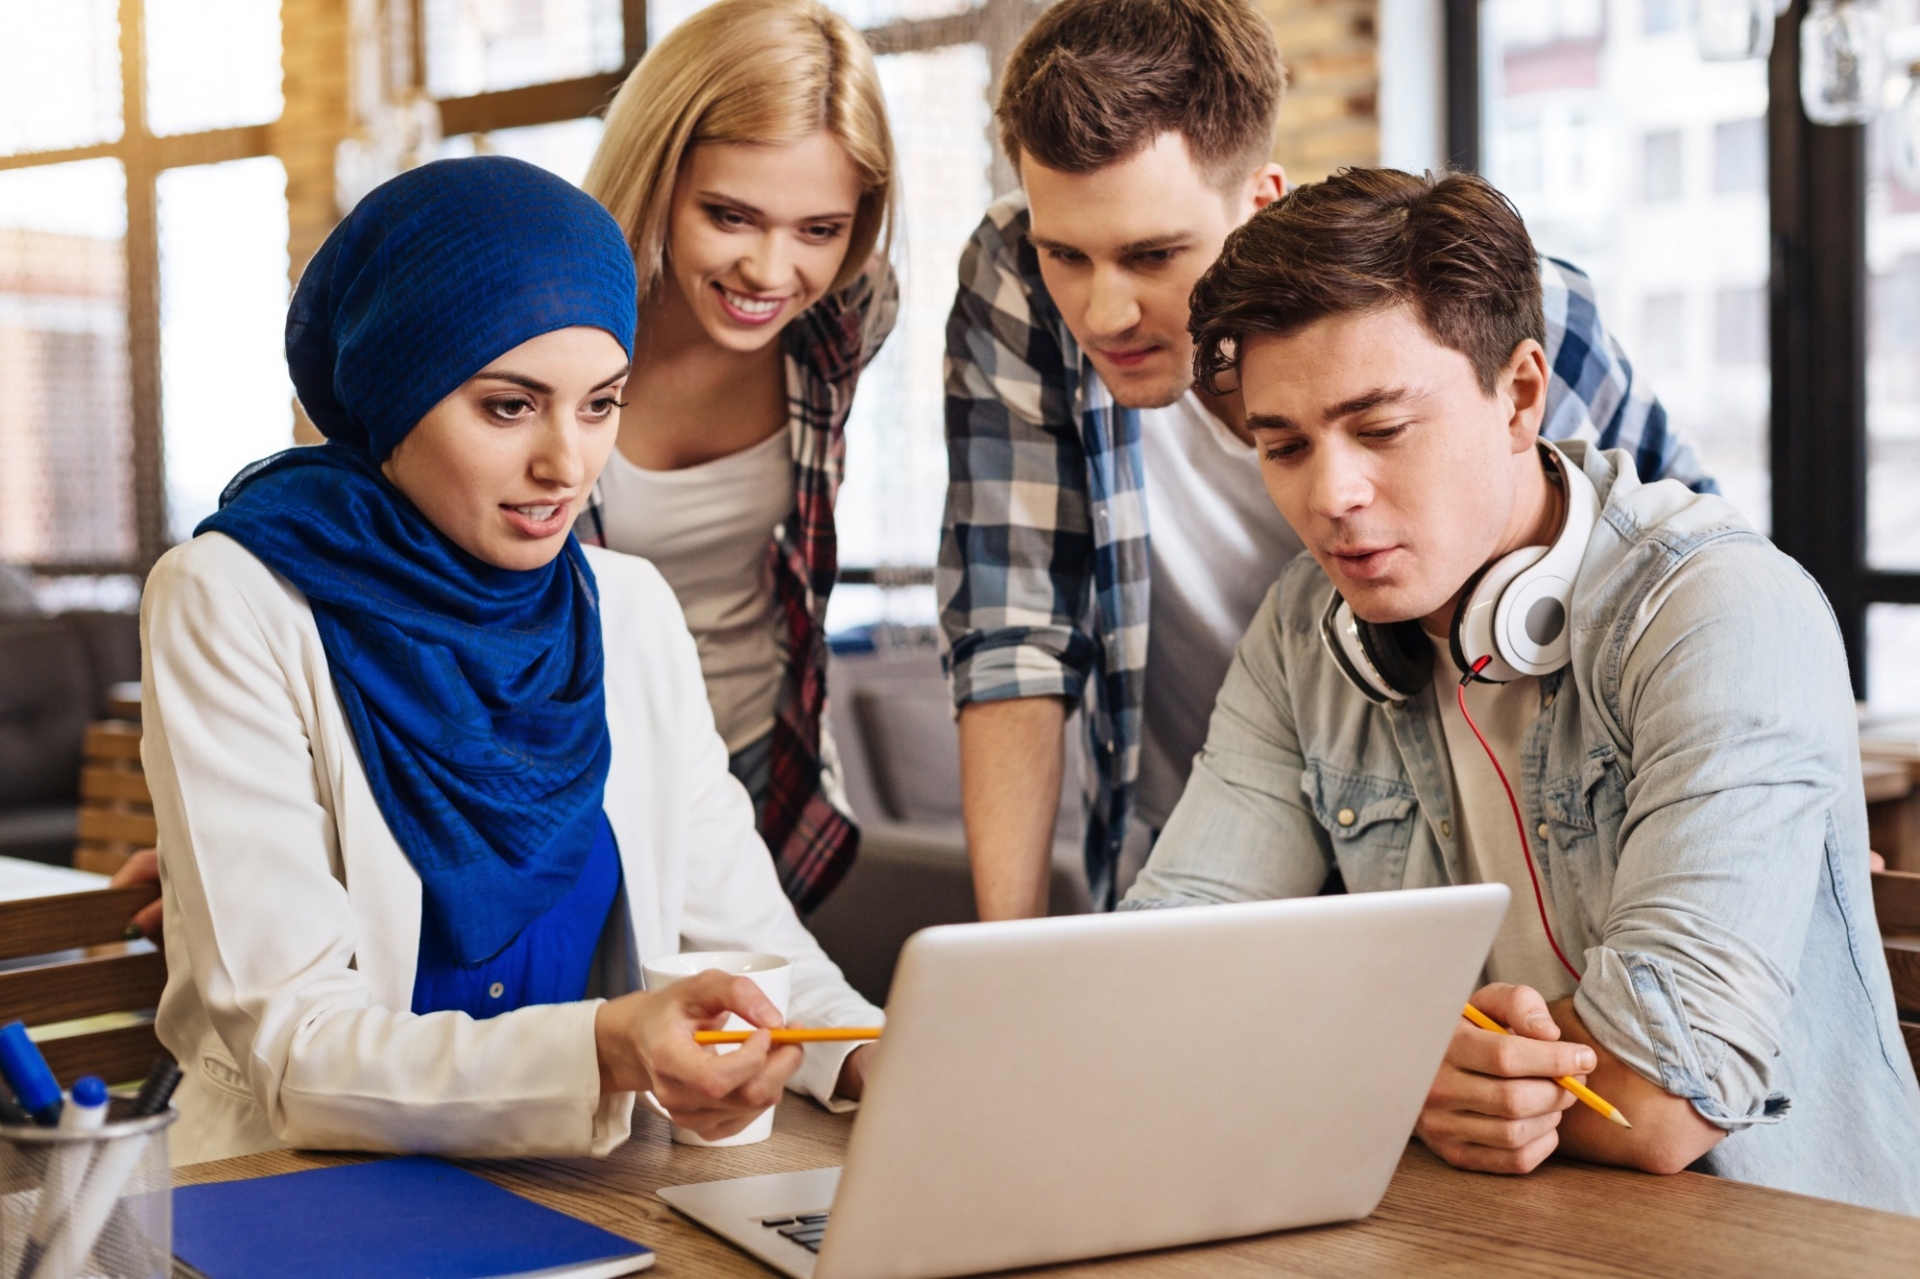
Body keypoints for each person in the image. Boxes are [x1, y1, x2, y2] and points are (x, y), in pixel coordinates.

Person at [1122, 166, 1920, 1211]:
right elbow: (1158, 983)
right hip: (1487, 1229)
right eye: (1285, 445)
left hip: (1791, 1237)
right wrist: (1404, 1062)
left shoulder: (1723, 611)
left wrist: (1368, 1060)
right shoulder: (1304, 631)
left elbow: (1659, 1095)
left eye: (1381, 428)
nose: (1331, 496)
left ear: (1520, 394)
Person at [142, 156, 882, 1166]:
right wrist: (610, 1045)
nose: (567, 465)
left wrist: (874, 1057)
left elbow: (750, 936)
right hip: (291, 1198)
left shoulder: (627, 611)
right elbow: (295, 1047)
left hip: (579, 1191)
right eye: (508, 406)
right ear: (396, 390)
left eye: (600, 403)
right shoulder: (232, 599)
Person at [940, 0, 1713, 920]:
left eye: (1155, 255)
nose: (1103, 313)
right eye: (1067, 252)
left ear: (1257, 201)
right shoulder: (1017, 278)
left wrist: (1740, 816)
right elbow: (1012, 632)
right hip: (1204, 839)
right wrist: (1012, 969)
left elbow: (1692, 576)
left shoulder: (1499, 327)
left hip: (1490, 866)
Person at [576, 0, 897, 913]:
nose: (770, 270)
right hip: (567, 771)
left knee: (760, 1041)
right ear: (659, 176)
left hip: (757, 755)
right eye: (731, 215)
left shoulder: (844, 320)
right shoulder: (545, 317)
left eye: (818, 230)